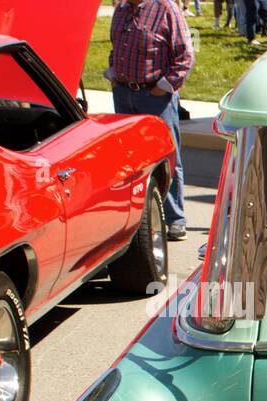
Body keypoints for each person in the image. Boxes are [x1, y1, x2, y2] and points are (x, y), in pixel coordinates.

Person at [106, 0, 194, 241]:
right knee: (130, 160)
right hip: (124, 94)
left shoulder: (166, 9)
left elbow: (184, 55)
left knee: (167, 157)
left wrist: (163, 87)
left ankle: (175, 219)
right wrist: (114, 75)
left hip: (155, 98)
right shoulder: (122, 9)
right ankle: (134, 218)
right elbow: (116, 48)